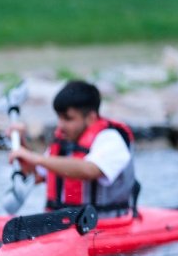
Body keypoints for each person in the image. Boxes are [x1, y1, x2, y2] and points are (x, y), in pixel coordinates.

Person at [8, 80, 137, 217]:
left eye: (68, 119)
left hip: (108, 225)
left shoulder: (111, 139)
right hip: (64, 225)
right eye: (59, 118)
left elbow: (90, 170)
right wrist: (20, 144)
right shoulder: (63, 142)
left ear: (91, 118)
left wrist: (38, 158)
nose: (60, 125)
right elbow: (34, 176)